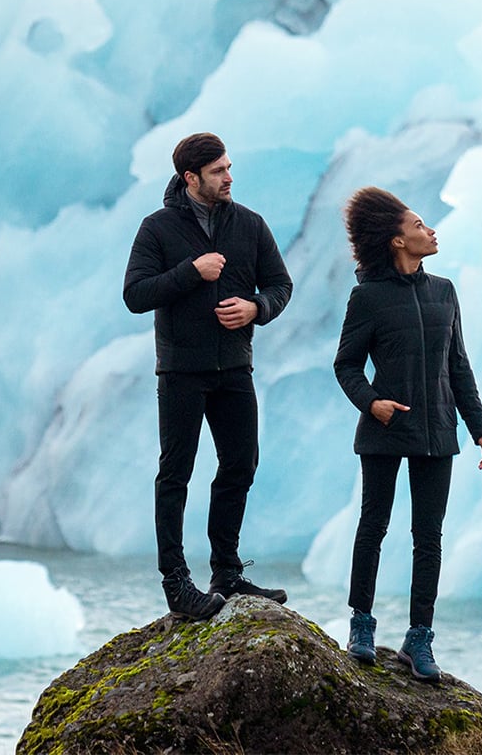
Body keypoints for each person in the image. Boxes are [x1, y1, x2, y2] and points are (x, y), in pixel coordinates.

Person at [123, 132, 293, 620]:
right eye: (218, 171)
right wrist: (191, 272)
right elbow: (135, 294)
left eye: (229, 167)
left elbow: (281, 285)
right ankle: (176, 583)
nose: (229, 177)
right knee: (175, 474)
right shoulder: (157, 229)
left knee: (241, 464)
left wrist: (256, 307)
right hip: (181, 370)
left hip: (235, 368)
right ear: (190, 177)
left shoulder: (250, 225)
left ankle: (227, 572)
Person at [333, 186, 482, 681]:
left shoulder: (444, 291)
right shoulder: (368, 297)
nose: (430, 230)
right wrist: (372, 403)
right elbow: (346, 366)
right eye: (420, 225)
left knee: (428, 538)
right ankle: (361, 625)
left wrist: (480, 428)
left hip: (439, 429)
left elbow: (459, 366)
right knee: (373, 528)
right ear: (398, 241)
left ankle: (418, 639)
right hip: (386, 427)